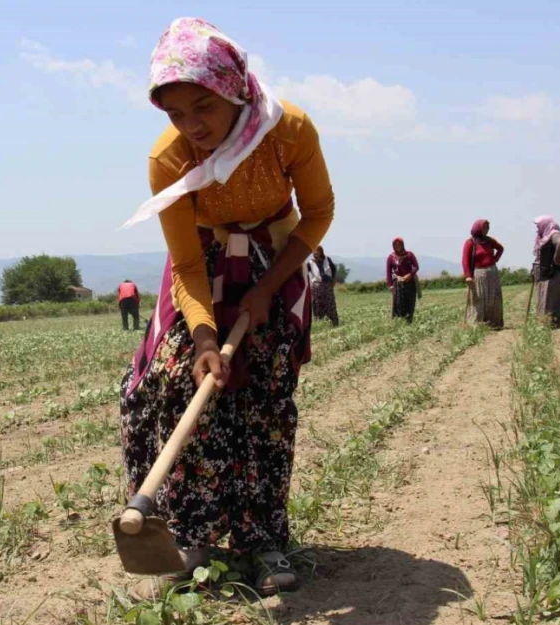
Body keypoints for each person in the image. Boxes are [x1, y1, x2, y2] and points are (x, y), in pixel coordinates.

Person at [119, 17, 335, 598]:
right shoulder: (170, 157)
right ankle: (193, 536)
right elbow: (188, 266)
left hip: (275, 252)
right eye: (174, 114)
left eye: (201, 108)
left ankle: (264, 539)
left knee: (262, 384)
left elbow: (317, 214)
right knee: (167, 381)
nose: (191, 126)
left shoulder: (288, 130)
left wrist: (266, 291)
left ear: (233, 90)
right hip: (204, 263)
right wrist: (206, 338)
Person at [462, 219, 505, 329]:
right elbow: (465, 260)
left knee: (493, 298)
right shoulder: (470, 243)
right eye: (484, 227)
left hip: (492, 273)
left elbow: (500, 248)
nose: (486, 230)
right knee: (479, 298)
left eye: (487, 228)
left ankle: (494, 323)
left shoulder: (489, 241)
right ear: (478, 229)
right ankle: (477, 323)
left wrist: (495, 259)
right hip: (479, 274)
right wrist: (468, 276)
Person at [532, 215, 560, 328]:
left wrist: (558, 259)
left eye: (539, 225)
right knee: (545, 298)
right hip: (546, 273)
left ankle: (552, 323)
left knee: (551, 299)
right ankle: (547, 323)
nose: (538, 229)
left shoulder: (554, 234)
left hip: (553, 274)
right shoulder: (544, 236)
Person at [386, 238, 419, 323]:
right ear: (393, 246)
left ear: (403, 244)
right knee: (398, 303)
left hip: (410, 283)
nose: (398, 246)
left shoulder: (410, 255)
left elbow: (416, 266)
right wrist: (390, 285)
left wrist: (410, 275)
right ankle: (398, 321)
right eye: (396, 245)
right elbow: (388, 272)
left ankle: (408, 321)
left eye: (399, 244)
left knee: (410, 302)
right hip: (397, 284)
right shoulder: (391, 257)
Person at [307, 246, 340, 326]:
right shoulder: (310, 263)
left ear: (321, 251)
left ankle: (334, 322)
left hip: (327, 285)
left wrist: (334, 280)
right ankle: (320, 323)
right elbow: (306, 274)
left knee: (330, 303)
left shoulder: (327, 259)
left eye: (317, 250)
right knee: (317, 304)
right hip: (316, 287)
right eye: (314, 251)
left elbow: (333, 269)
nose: (316, 252)